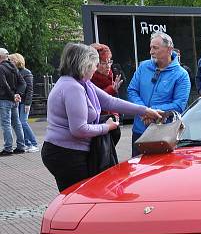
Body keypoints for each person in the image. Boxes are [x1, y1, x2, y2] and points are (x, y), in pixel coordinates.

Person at [41, 43, 161, 191]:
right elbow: (79, 129)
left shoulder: (82, 83)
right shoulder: (73, 87)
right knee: (80, 198)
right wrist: (107, 127)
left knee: (80, 197)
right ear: (84, 64)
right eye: (94, 64)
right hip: (66, 153)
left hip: (69, 151)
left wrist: (144, 110)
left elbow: (110, 101)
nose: (95, 68)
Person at [127, 32, 191, 157]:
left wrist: (152, 112)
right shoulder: (143, 67)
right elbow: (132, 90)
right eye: (150, 47)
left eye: (155, 48)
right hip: (140, 130)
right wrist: (144, 110)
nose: (151, 51)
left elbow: (179, 105)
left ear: (169, 49)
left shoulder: (181, 74)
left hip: (164, 134)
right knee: (137, 173)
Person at [90, 43, 123, 147]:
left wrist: (115, 115)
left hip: (109, 121)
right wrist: (111, 90)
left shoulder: (110, 76)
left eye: (109, 62)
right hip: (96, 124)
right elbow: (95, 99)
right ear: (94, 63)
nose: (108, 66)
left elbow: (112, 101)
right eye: (104, 63)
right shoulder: (89, 77)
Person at [8, 53, 37, 152]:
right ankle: (27, 143)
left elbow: (30, 89)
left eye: (11, 60)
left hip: (24, 101)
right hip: (18, 101)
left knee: (23, 122)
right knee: (19, 123)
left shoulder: (26, 72)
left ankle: (34, 144)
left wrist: (28, 104)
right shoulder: (14, 72)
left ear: (17, 60)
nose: (9, 62)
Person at [0, 48, 26, 156]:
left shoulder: (1, 68)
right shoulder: (13, 67)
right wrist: (18, 95)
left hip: (5, 99)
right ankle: (21, 146)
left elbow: (4, 85)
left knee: (6, 124)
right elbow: (23, 83)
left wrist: (13, 96)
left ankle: (8, 148)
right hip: (14, 100)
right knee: (16, 123)